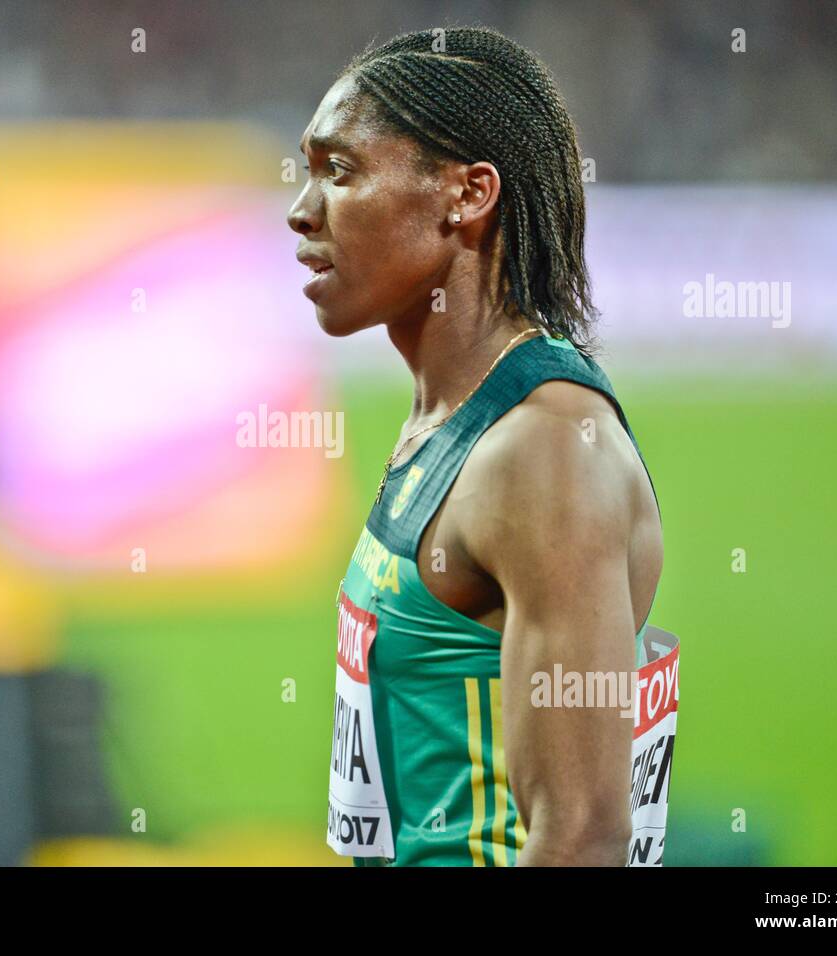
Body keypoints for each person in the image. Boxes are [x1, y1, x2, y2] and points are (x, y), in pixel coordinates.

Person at [288, 26, 663, 866]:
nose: (301, 209)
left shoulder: (545, 450)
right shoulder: (450, 415)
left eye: (338, 171)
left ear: (467, 194)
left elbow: (581, 838)